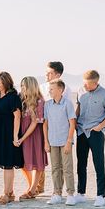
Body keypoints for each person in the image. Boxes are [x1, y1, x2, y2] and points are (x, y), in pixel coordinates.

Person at [75, 70, 105, 207]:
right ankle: (80, 193)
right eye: (84, 84)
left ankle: (100, 196)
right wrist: (74, 123)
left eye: (87, 84)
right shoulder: (80, 90)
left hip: (95, 133)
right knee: (81, 164)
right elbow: (79, 108)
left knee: (99, 164)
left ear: (96, 83)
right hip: (81, 131)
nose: (85, 87)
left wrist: (100, 126)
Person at [37, 60, 72, 195]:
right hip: (44, 126)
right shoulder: (41, 86)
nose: (46, 76)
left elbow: (64, 110)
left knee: (63, 164)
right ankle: (41, 187)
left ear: (58, 74)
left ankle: (64, 191)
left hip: (60, 129)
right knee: (46, 159)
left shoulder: (66, 89)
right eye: (46, 73)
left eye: (49, 73)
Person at [0, 71, 23, 205]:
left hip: (9, 131)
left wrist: (15, 136)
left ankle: (6, 193)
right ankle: (11, 192)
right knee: (4, 164)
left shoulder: (13, 96)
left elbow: (17, 116)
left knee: (8, 164)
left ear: (6, 82)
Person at [43, 80, 77, 206]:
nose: (49, 91)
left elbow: (72, 123)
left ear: (60, 90)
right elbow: (45, 124)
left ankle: (70, 194)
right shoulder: (47, 105)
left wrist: (69, 141)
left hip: (65, 141)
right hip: (52, 141)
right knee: (55, 168)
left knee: (67, 168)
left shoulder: (67, 104)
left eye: (52, 89)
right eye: (49, 89)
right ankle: (57, 193)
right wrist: (46, 141)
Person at [16, 76, 47, 200]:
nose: (22, 88)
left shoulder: (39, 100)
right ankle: (31, 187)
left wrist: (23, 138)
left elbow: (35, 122)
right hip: (23, 133)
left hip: (34, 135)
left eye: (24, 86)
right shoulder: (22, 99)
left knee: (37, 161)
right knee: (23, 162)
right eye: (21, 85)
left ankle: (33, 189)